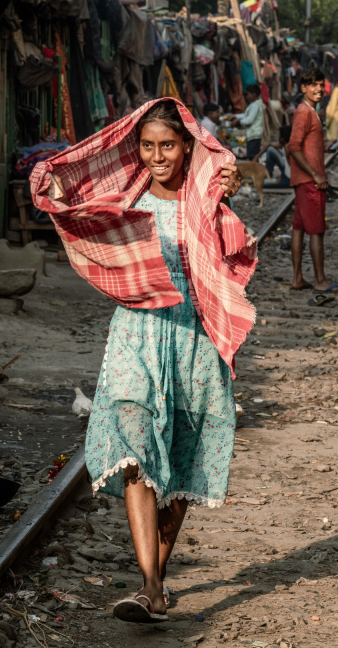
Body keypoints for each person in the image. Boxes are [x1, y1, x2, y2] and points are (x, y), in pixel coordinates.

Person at [30, 98, 253, 623]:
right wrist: (53, 183)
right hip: (136, 335)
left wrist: (228, 191)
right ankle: (150, 584)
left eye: (168, 145)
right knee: (135, 452)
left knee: (181, 458)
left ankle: (156, 585)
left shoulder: (204, 198)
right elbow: (67, 202)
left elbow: (233, 251)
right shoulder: (124, 199)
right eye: (148, 146)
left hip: (195, 339)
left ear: (186, 147)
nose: (157, 156)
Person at [288, 68, 338, 293]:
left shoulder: (310, 111)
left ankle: (298, 279)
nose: (318, 89)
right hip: (310, 182)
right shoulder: (304, 112)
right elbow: (294, 147)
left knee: (298, 228)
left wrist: (323, 148)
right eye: (313, 85)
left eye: (320, 84)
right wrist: (315, 174)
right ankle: (320, 280)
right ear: (304, 88)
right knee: (317, 231)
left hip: (304, 180)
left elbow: (304, 146)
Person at [234, 83, 266, 161]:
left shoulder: (254, 105)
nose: (246, 96)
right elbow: (246, 115)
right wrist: (235, 116)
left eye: (247, 94)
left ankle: (254, 168)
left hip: (253, 134)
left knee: (253, 157)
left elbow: (249, 120)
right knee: (254, 156)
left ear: (254, 95)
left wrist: (238, 122)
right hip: (255, 134)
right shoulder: (256, 104)